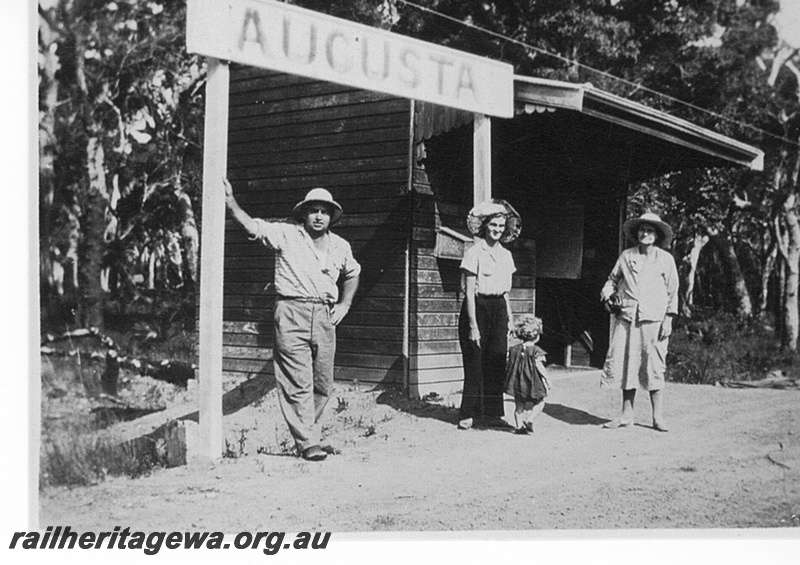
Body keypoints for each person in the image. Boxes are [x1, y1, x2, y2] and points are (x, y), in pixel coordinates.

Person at [223, 178, 361, 461]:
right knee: (298, 381)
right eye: (314, 210)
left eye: (324, 211)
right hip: (291, 312)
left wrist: (345, 303)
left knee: (323, 383)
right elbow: (252, 227)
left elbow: (353, 273)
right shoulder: (286, 234)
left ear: (331, 216)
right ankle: (307, 442)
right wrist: (231, 203)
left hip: (324, 315)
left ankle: (313, 436)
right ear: (304, 214)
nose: (319, 216)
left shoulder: (341, 246)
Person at [600, 212, 679, 432]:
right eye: (643, 229)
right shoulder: (627, 256)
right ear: (637, 233)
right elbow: (612, 280)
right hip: (627, 318)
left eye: (650, 230)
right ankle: (626, 415)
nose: (646, 234)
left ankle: (657, 417)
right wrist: (607, 296)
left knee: (654, 365)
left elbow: (673, 292)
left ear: (657, 235)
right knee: (627, 364)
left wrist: (668, 319)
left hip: (653, 320)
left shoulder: (665, 260)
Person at [457, 199, 521, 430]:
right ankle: (468, 412)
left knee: (496, 360)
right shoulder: (474, 253)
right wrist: (473, 324)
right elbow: (470, 292)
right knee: (475, 362)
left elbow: (505, 293)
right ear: (485, 226)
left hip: (499, 309)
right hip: (477, 308)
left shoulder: (506, 256)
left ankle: (493, 414)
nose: (497, 230)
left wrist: (510, 319)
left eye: (501, 226)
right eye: (493, 225)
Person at [504, 314, 550, 435]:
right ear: (536, 336)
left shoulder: (514, 349)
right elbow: (539, 366)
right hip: (532, 381)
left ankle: (519, 427)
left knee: (519, 406)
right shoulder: (536, 351)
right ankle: (529, 420)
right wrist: (546, 379)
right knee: (540, 402)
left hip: (518, 382)